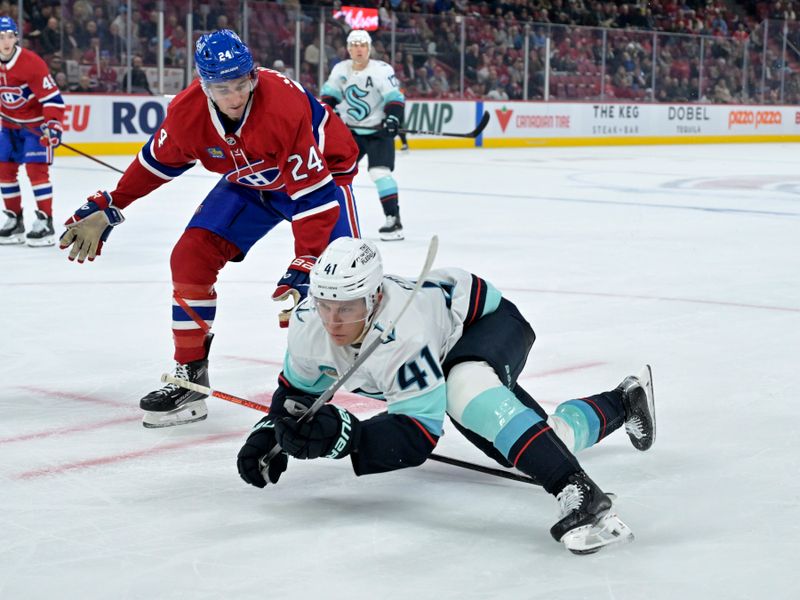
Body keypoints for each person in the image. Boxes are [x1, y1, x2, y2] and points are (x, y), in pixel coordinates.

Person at [237, 237, 657, 554]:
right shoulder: (308, 325)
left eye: (347, 306)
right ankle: (624, 401)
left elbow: (419, 433)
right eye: (326, 303)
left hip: (486, 322)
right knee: (543, 444)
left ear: (375, 296)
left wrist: (349, 439)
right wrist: (274, 433)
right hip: (443, 344)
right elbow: (296, 394)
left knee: (465, 388)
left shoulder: (405, 332)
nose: (333, 320)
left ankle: (581, 491)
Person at [59, 30, 361, 429]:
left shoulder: (282, 107)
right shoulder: (187, 113)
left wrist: (305, 260)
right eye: (222, 88)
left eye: (241, 84)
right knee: (190, 257)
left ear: (253, 75)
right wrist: (113, 202)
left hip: (323, 181)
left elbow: (314, 198)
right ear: (204, 86)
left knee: (339, 282)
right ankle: (191, 378)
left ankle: (377, 373)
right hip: (252, 183)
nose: (235, 97)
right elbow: (155, 163)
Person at [321, 30, 406, 241]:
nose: (359, 49)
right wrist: (329, 113)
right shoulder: (340, 69)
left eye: (363, 45)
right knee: (334, 174)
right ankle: (326, 218)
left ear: (369, 48)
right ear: (348, 49)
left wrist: (393, 119)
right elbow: (329, 97)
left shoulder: (382, 70)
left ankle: (393, 219)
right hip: (351, 133)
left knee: (379, 173)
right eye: (354, 45)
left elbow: (395, 98)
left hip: (378, 131)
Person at [0, 16, 64, 247]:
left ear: (16, 37)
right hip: (8, 127)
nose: (6, 42)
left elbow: (53, 99)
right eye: (0, 37)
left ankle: (46, 222)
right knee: (4, 170)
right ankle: (14, 220)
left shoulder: (31, 63)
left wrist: (53, 125)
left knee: (36, 172)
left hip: (35, 126)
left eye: (10, 36)